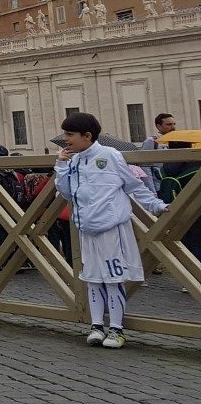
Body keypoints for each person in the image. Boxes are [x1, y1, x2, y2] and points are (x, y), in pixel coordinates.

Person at [55, 112, 167, 350]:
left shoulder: (110, 155)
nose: (66, 139)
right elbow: (66, 192)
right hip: (86, 227)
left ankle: (116, 328)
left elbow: (134, 185)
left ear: (87, 136)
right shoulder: (73, 160)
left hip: (110, 227)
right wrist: (61, 164)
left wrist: (156, 205)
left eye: (70, 134)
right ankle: (97, 325)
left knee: (113, 279)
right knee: (93, 279)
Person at [139, 112, 175, 195]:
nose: (173, 127)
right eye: (169, 124)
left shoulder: (176, 141)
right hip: (159, 186)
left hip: (174, 184)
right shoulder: (152, 141)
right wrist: (152, 191)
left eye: (174, 124)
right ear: (159, 126)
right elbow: (145, 167)